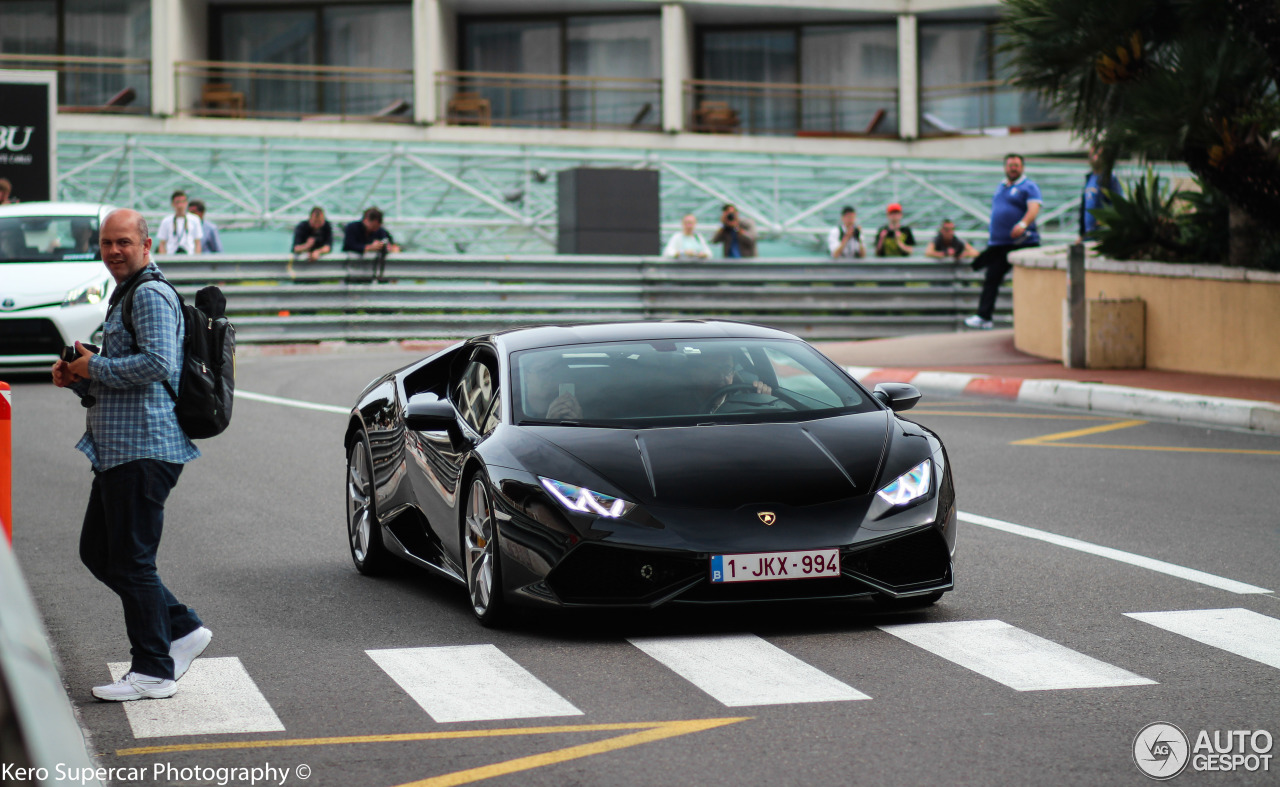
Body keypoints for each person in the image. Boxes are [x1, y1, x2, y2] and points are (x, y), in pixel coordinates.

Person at [51, 208, 212, 702]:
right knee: (99, 552)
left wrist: (94, 365)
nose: (114, 251)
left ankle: (154, 670)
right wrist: (80, 373)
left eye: (124, 242)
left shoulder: (150, 293)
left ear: (147, 245)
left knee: (133, 560)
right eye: (106, 244)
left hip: (144, 447)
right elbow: (127, 371)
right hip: (119, 447)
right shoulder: (127, 292)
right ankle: (182, 628)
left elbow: (158, 363)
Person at [965, 154, 1042, 330]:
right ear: (1004, 167)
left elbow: (1034, 208)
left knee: (1028, 281)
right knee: (991, 278)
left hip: (1023, 243)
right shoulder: (1001, 187)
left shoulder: (1029, 186)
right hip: (1000, 244)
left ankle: (1033, 317)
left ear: (1022, 167)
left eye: (1016, 165)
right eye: (1010, 165)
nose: (1013, 168)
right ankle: (984, 316)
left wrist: (1023, 224)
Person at [689, 349, 771, 413]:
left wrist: (763, 400)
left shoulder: (744, 401)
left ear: (733, 374)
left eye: (726, 369)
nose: (720, 376)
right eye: (712, 369)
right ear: (695, 374)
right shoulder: (679, 407)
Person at [522, 353, 583, 421]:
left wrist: (579, 422)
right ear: (526, 376)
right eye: (542, 371)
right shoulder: (512, 411)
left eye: (554, 372)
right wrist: (550, 422)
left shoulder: (573, 407)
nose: (550, 377)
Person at [1079, 145, 1122, 240]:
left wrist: (1104, 222)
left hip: (1103, 236)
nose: (1093, 157)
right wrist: (1082, 234)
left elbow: (1117, 206)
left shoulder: (1110, 180)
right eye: (1092, 154)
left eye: (1097, 154)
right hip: (1088, 236)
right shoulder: (1089, 178)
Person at [156, 190, 202, 255]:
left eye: (182, 202)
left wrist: (197, 259)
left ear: (186, 203)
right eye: (177, 202)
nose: (180, 205)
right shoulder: (166, 221)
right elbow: (162, 243)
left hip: (190, 256)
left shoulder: (195, 220)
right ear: (172, 204)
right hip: (171, 256)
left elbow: (197, 242)